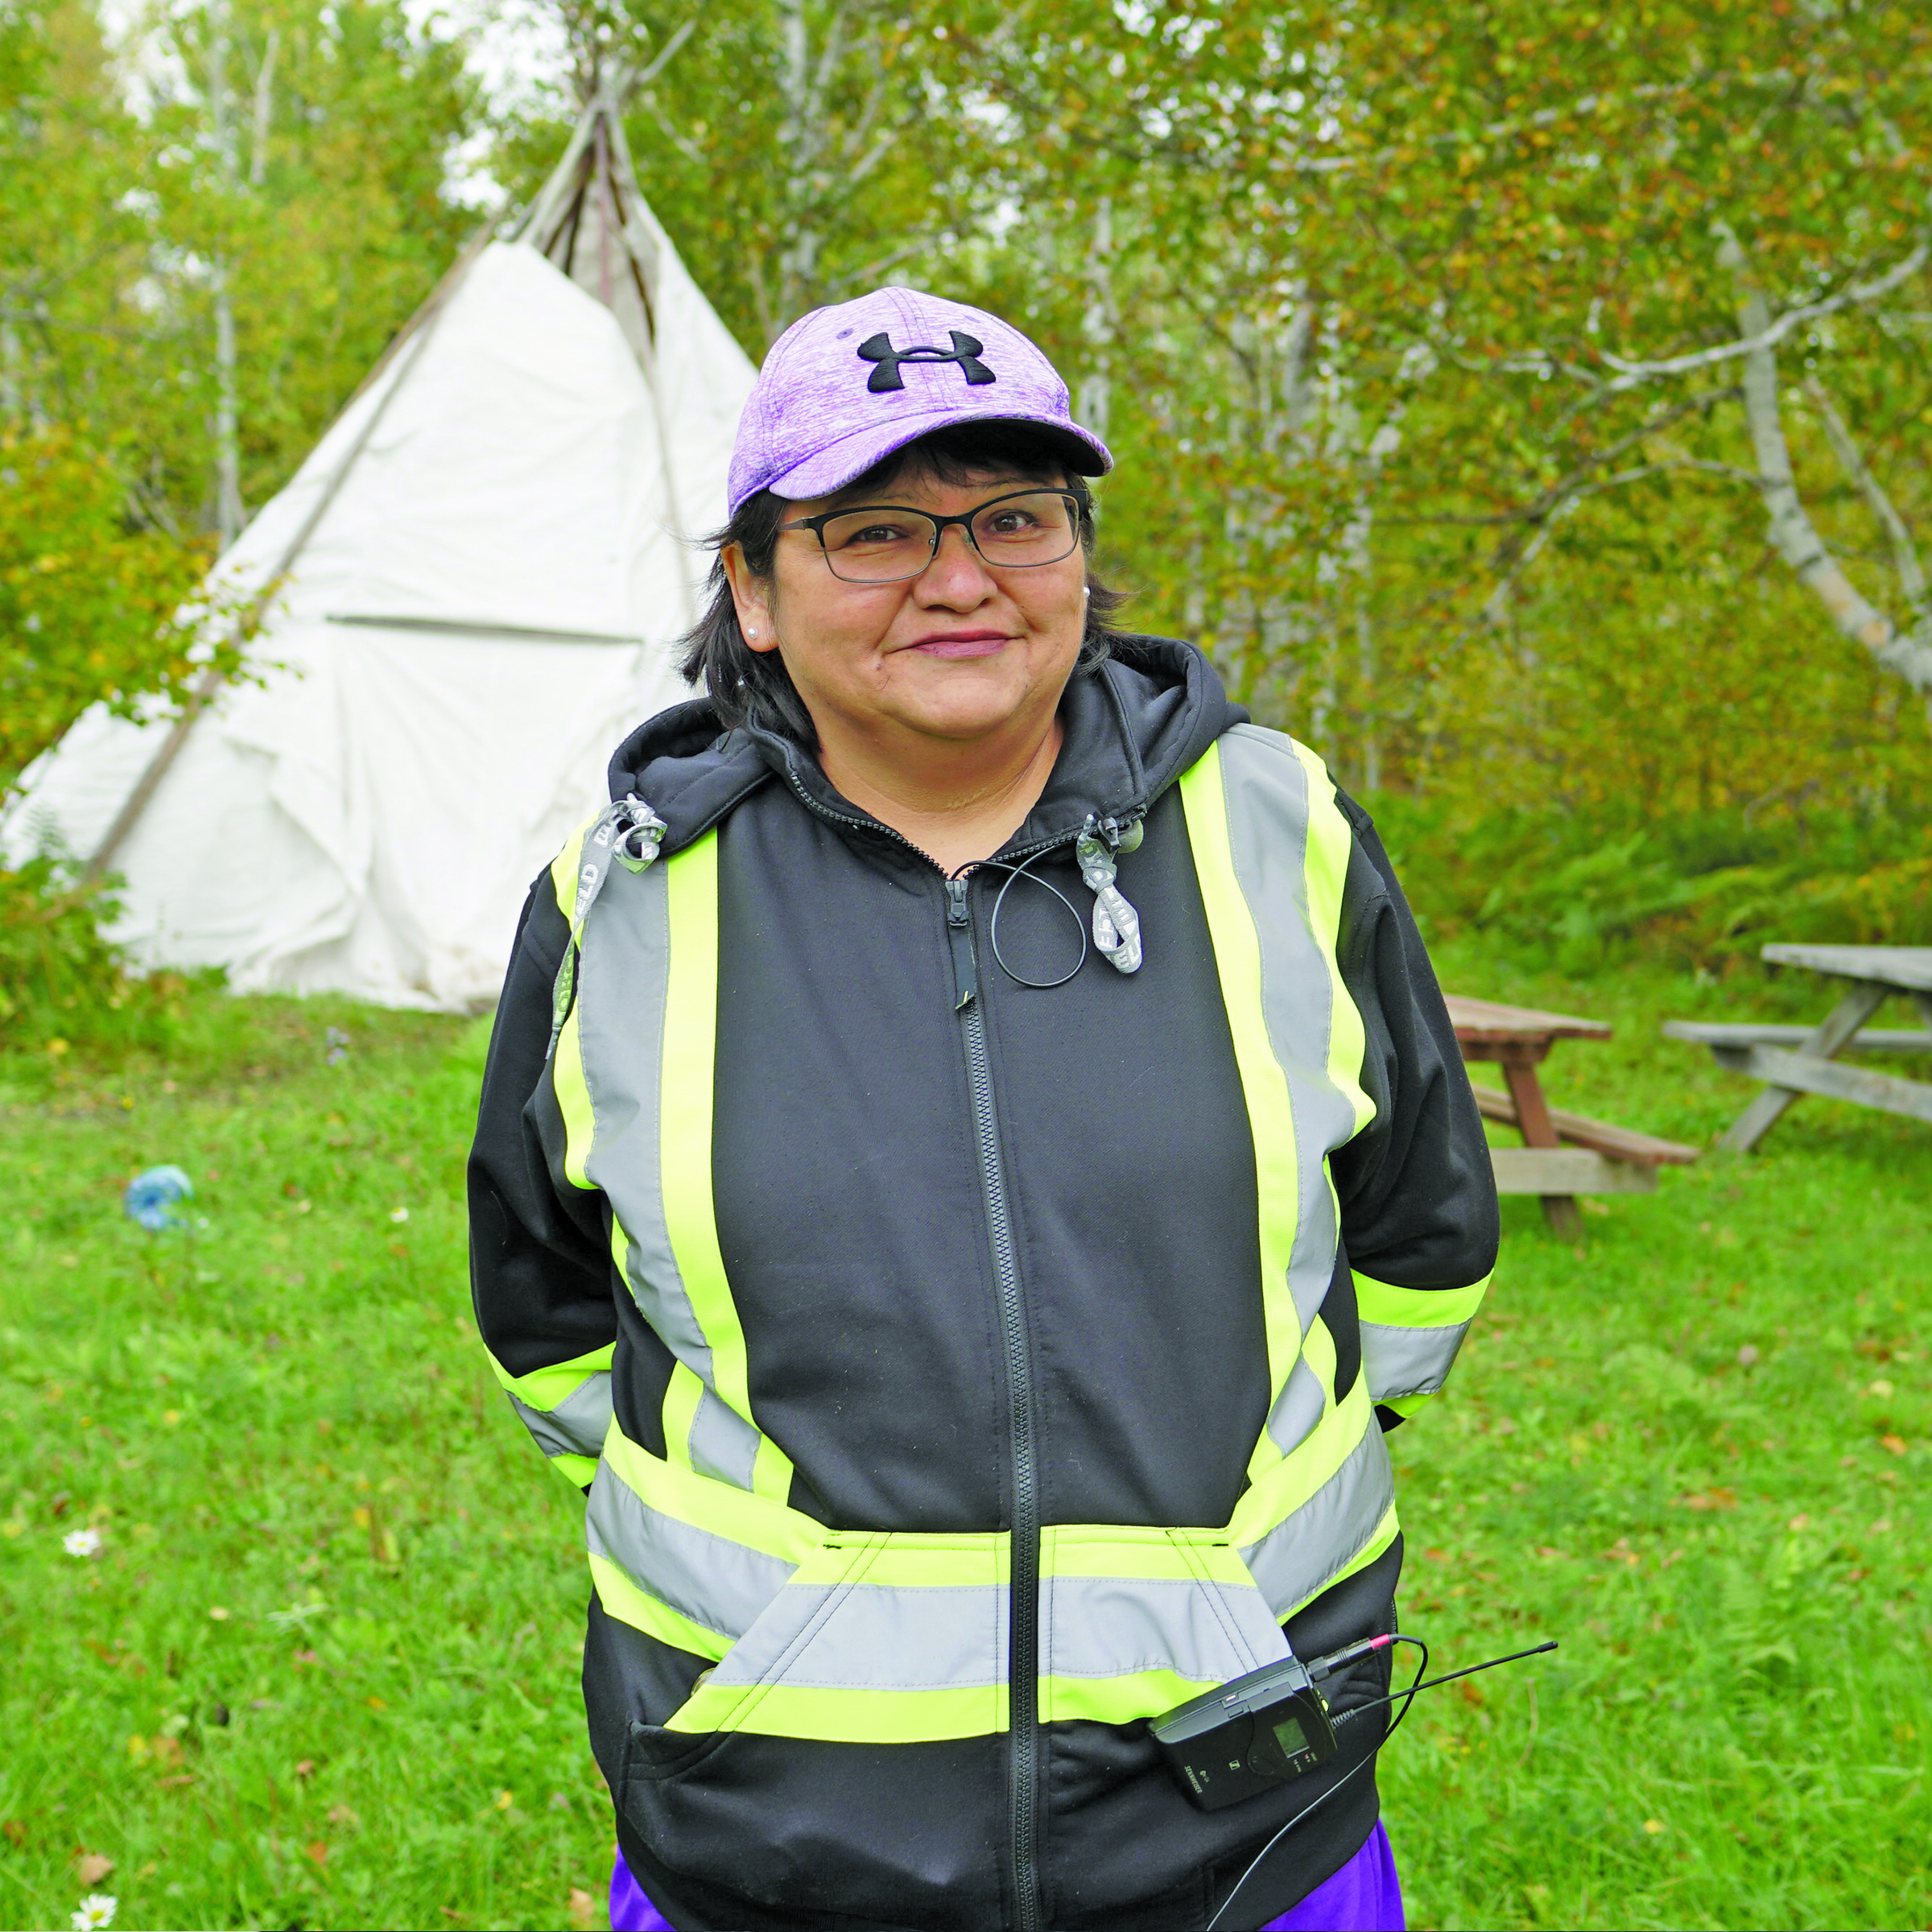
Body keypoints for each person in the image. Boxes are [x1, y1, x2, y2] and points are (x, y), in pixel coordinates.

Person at [468, 286, 1498, 1932]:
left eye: (1014, 516)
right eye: (874, 531)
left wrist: (1220, 1579)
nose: (959, 577)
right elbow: (551, 1319)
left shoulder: (1278, 828)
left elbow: (1422, 1243)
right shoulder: (626, 899)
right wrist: (803, 1605)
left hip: (1245, 1825)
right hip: (767, 1829)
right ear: (750, 587)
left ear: (1080, 557)